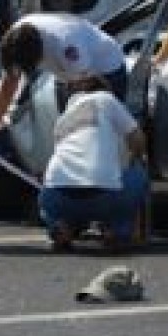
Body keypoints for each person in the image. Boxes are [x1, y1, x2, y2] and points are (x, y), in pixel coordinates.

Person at [0, 13, 126, 148]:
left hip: (104, 70)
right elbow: (9, 84)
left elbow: (93, 90)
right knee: (70, 133)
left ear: (40, 57)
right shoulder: (16, 38)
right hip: (70, 73)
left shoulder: (67, 46)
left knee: (98, 134)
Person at [37, 76, 150, 252]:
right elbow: (138, 138)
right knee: (139, 173)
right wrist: (136, 155)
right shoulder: (106, 99)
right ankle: (118, 230)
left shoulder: (63, 119)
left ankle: (62, 226)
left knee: (64, 186)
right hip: (103, 198)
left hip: (55, 197)